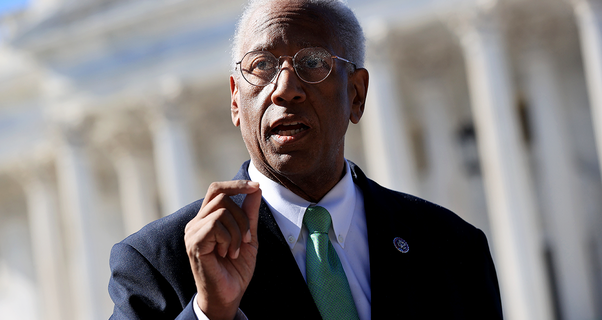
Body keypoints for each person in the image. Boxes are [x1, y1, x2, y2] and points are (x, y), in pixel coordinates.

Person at [108, 0, 503, 319]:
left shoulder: (451, 248)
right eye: (261, 66)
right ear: (234, 99)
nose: (284, 90)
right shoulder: (160, 262)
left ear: (356, 94)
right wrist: (212, 313)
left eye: (313, 62)